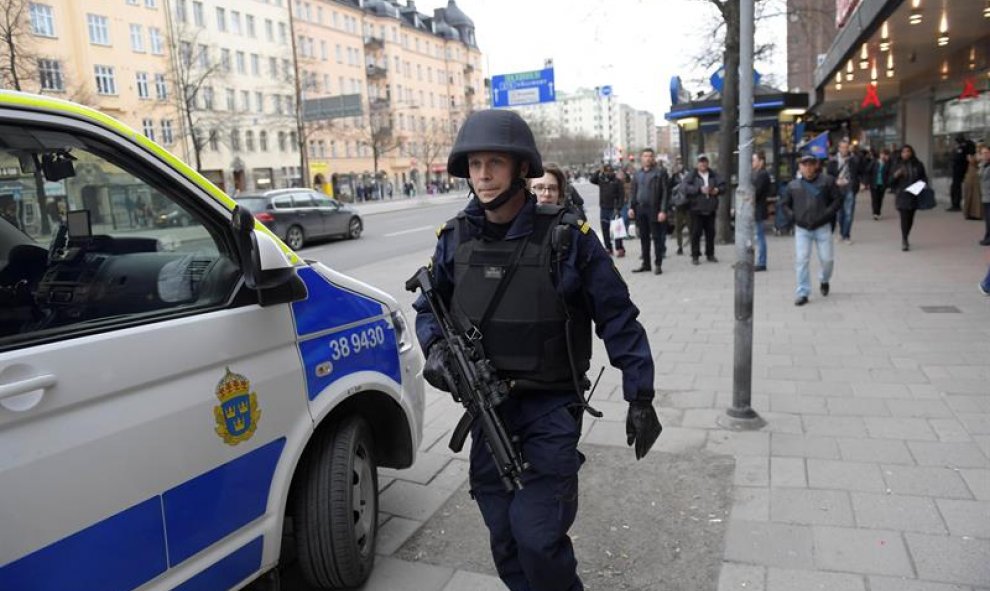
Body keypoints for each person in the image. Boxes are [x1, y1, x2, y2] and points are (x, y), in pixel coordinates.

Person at [413, 109, 661, 591]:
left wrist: (641, 394)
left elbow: (617, 318)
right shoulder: (454, 239)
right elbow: (429, 309)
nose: (482, 176)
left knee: (537, 535)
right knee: (503, 535)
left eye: (494, 163)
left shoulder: (567, 239)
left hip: (550, 408)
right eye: (474, 165)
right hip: (489, 414)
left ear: (521, 168)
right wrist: (437, 352)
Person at [779, 155, 841, 306]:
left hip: (822, 227)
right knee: (802, 260)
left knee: (827, 260)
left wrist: (826, 215)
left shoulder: (827, 182)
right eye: (804, 164)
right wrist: (793, 217)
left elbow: (837, 200)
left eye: (810, 164)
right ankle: (802, 292)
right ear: (800, 167)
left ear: (816, 166)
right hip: (802, 229)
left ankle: (824, 279)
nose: (807, 167)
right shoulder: (793, 186)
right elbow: (784, 204)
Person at [628, 148, 669, 275]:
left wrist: (663, 210)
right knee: (643, 238)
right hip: (640, 208)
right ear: (641, 158)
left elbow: (665, 193)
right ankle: (646, 264)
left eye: (650, 156)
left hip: (654, 209)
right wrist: (631, 207)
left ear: (653, 158)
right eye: (645, 156)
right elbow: (633, 192)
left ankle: (658, 264)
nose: (648, 158)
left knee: (656, 237)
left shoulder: (659, 173)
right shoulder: (637, 174)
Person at [682, 153, 724, 265]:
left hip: (710, 207)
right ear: (697, 164)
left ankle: (710, 254)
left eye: (705, 161)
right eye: (701, 162)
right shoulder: (692, 175)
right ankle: (695, 255)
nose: (703, 164)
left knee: (710, 232)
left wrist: (717, 190)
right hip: (696, 208)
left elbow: (723, 185)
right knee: (696, 233)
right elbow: (685, 187)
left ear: (708, 163)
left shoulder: (713, 174)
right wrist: (699, 189)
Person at [890, 144, 928, 252]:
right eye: (903, 152)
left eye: (908, 151)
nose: (906, 153)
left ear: (911, 153)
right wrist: (896, 175)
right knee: (904, 218)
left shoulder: (918, 164)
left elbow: (924, 177)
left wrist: (921, 185)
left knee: (910, 218)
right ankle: (904, 239)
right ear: (900, 154)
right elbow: (889, 181)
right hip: (902, 195)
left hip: (914, 194)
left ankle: (906, 235)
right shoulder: (897, 165)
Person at [826, 139, 860, 243]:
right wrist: (836, 181)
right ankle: (841, 233)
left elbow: (859, 172)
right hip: (837, 189)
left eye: (846, 147)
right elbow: (829, 175)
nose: (844, 149)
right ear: (839, 148)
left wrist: (858, 183)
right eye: (842, 147)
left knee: (849, 213)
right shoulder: (833, 160)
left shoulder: (854, 159)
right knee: (840, 213)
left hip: (850, 188)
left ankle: (846, 235)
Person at [589, 163, 626, 256]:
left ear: (613, 171)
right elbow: (592, 180)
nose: (609, 172)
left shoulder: (617, 181)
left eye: (610, 170)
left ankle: (620, 248)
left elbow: (622, 196)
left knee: (617, 230)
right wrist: (599, 170)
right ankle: (608, 248)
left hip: (614, 209)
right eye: (606, 171)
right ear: (604, 171)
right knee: (605, 229)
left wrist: (619, 208)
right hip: (604, 208)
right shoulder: (601, 180)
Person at [752, 150, 773, 271]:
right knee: (757, 236)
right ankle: (759, 260)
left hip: (758, 208)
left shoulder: (762, 174)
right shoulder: (757, 173)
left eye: (754, 160)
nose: (752, 163)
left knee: (759, 236)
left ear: (761, 162)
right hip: (757, 208)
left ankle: (762, 261)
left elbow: (757, 192)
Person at [667, 157, 691, 256]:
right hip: (678, 205)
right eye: (678, 164)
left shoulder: (689, 175)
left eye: (680, 163)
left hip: (689, 205)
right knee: (678, 227)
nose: (679, 166)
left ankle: (692, 246)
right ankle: (679, 247)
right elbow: (669, 191)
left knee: (691, 226)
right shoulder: (674, 177)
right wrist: (671, 204)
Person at [949, 133, 976, 212]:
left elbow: (969, 157)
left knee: (958, 187)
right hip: (956, 169)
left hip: (963, 169)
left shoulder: (967, 145)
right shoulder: (959, 146)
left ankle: (957, 204)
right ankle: (955, 204)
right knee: (955, 187)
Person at [867, 148, 891, 220]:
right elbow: (868, 170)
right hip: (874, 183)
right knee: (874, 199)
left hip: (882, 184)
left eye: (885, 154)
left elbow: (889, 174)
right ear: (880, 155)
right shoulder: (874, 162)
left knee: (880, 199)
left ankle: (878, 211)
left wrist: (889, 185)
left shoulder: (888, 164)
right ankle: (875, 213)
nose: (883, 156)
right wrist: (867, 182)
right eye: (882, 154)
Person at [962, 142, 983, 221]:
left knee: (976, 195)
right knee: (969, 194)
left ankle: (976, 213)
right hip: (970, 177)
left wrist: (971, 160)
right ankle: (969, 213)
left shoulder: (979, 155)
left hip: (976, 177)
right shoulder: (973, 155)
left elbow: (978, 164)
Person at [979, 143, 990, 246]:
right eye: (982, 153)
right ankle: (987, 236)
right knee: (987, 218)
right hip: (985, 196)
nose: (984, 155)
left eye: (986, 153)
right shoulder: (984, 164)